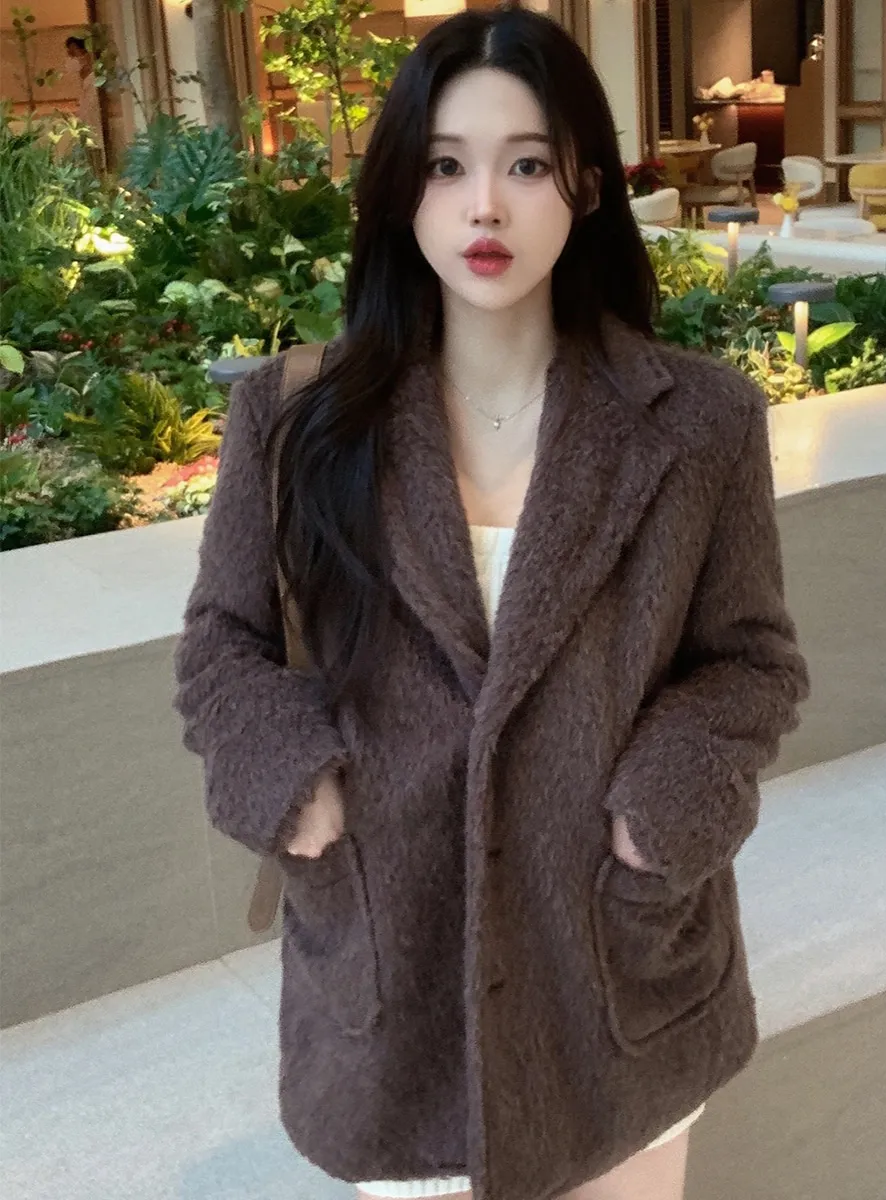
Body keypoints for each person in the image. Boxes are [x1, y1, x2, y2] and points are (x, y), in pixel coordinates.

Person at [173, 6, 810, 1200]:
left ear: (584, 185)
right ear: (399, 190)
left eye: (524, 166)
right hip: (392, 983)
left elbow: (750, 662)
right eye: (445, 167)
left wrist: (658, 816)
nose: (483, 209)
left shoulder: (699, 422)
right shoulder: (296, 421)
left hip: (613, 979)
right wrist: (296, 788)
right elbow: (223, 646)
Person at [64, 35, 105, 170]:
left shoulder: (95, 77)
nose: (71, 57)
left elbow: (93, 106)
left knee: (95, 143)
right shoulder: (83, 76)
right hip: (87, 119)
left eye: (73, 52)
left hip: (94, 120)